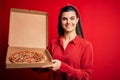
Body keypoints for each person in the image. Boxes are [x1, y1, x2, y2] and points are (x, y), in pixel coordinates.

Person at [37, 5, 93, 80]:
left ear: (77, 20)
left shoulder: (86, 45)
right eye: (64, 19)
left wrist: (61, 66)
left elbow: (85, 76)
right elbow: (44, 68)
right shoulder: (53, 43)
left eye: (72, 18)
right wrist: (29, 61)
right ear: (60, 21)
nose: (68, 22)